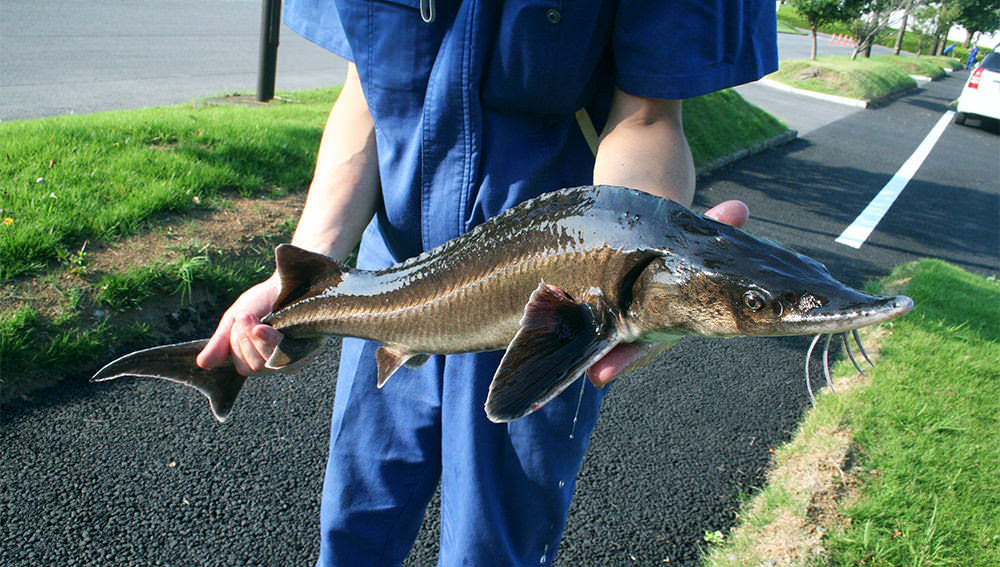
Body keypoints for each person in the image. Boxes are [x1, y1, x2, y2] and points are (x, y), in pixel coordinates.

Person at [197, 1, 777, 565]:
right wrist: (304, 273)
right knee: (355, 527)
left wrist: (630, 277)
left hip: (550, 297)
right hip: (391, 276)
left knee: (490, 547)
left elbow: (647, 116)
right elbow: (367, 95)